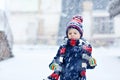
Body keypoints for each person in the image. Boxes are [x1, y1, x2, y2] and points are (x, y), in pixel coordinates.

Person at [47, 15, 97, 80]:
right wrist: (54, 64)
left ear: (80, 35)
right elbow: (58, 58)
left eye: (75, 33)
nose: (72, 34)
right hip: (64, 77)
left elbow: (86, 64)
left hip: (79, 77)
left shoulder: (84, 48)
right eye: (70, 33)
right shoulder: (64, 47)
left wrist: (91, 63)